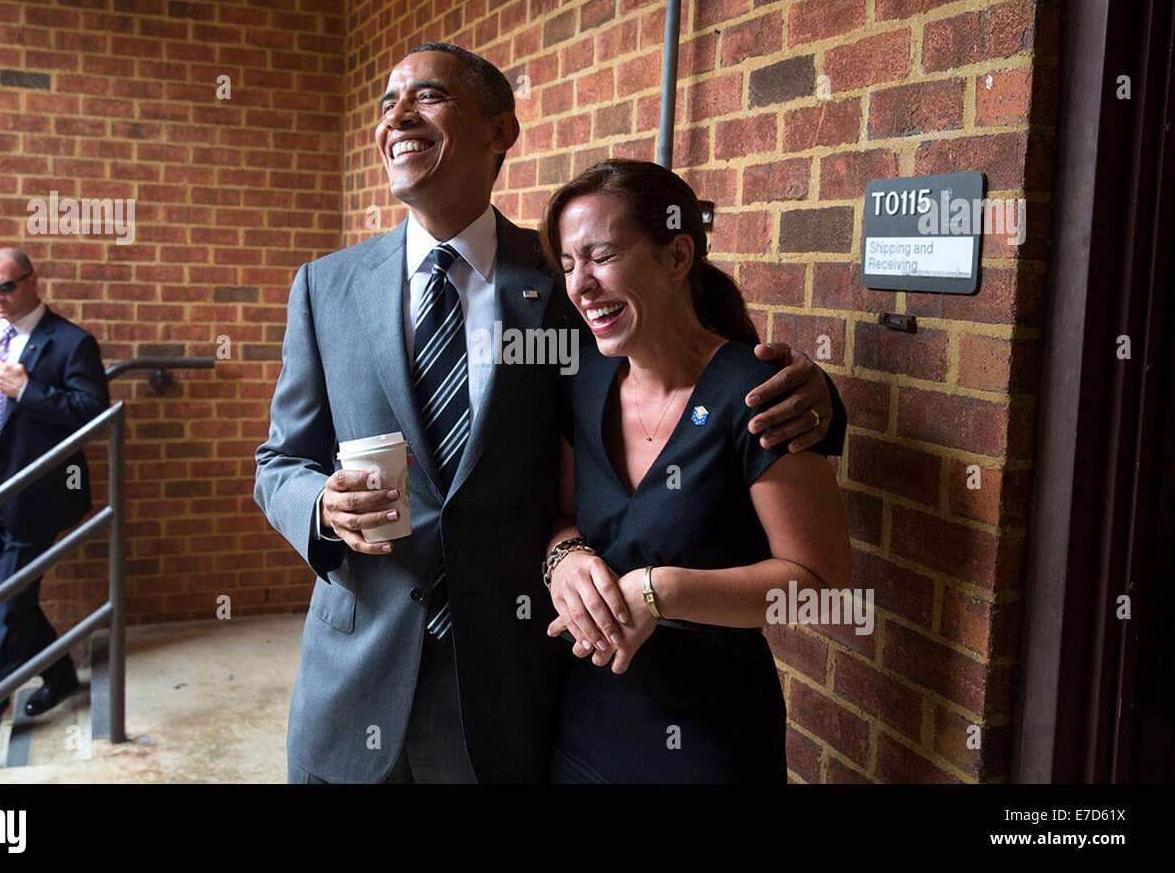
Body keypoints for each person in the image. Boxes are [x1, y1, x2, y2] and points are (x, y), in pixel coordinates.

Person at [253, 42, 846, 784]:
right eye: (386, 103)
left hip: (510, 681)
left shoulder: (564, 286)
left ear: (502, 130)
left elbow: (672, 368)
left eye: (427, 96)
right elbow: (280, 462)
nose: (398, 117)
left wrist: (815, 396)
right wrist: (320, 506)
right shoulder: (324, 288)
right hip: (353, 672)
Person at [537, 159, 854, 782]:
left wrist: (662, 590)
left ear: (678, 256)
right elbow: (565, 516)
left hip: (711, 737)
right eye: (569, 266)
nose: (581, 286)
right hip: (583, 727)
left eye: (601, 256)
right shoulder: (582, 379)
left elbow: (819, 583)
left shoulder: (761, 393)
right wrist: (563, 558)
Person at [0, 248, 109, 775]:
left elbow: (93, 417)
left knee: (9, 614)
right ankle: (57, 677)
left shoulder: (72, 342)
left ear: (32, 282)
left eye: (5, 287)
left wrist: (31, 392)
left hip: (34, 501)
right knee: (4, 602)